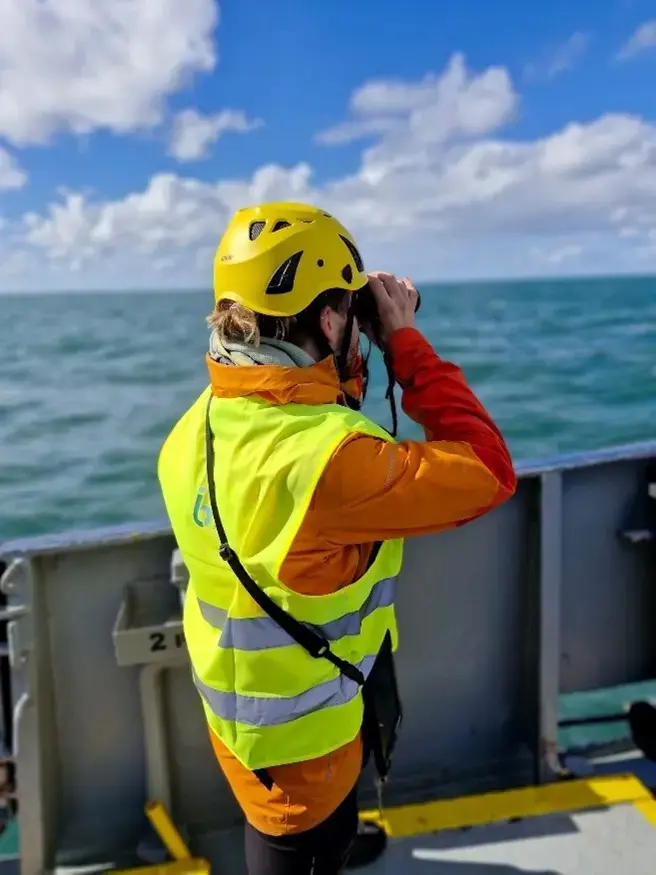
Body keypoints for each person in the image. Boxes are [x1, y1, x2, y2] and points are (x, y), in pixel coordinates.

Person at [157, 202, 517, 875]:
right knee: (308, 847)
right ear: (328, 320)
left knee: (290, 834)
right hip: (309, 756)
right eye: (348, 309)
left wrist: (343, 353)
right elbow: (490, 470)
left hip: (247, 727)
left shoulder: (195, 427)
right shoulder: (331, 463)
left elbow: (291, 423)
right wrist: (403, 341)